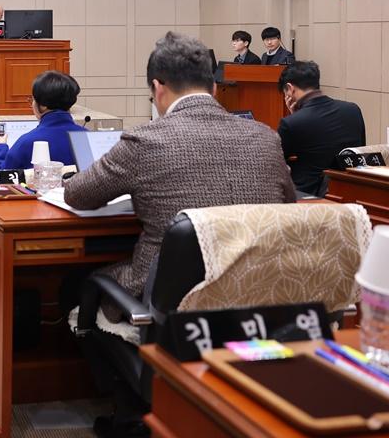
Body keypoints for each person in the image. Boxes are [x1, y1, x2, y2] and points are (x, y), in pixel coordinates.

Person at [63, 32, 295, 436]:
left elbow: (78, 195)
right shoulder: (265, 137)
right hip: (258, 302)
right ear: (215, 85)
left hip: (170, 304)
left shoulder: (144, 141)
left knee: (79, 284)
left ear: (157, 87)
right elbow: (287, 207)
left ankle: (133, 405)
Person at [277, 61, 365, 197]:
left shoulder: (291, 123)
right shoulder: (352, 109)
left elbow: (276, 161)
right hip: (349, 191)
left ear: (290, 88)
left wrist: (295, 117)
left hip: (307, 196)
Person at [0, 71, 86, 168]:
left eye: (32, 100)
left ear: (43, 105)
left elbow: (4, 177)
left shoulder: (27, 142)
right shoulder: (88, 138)